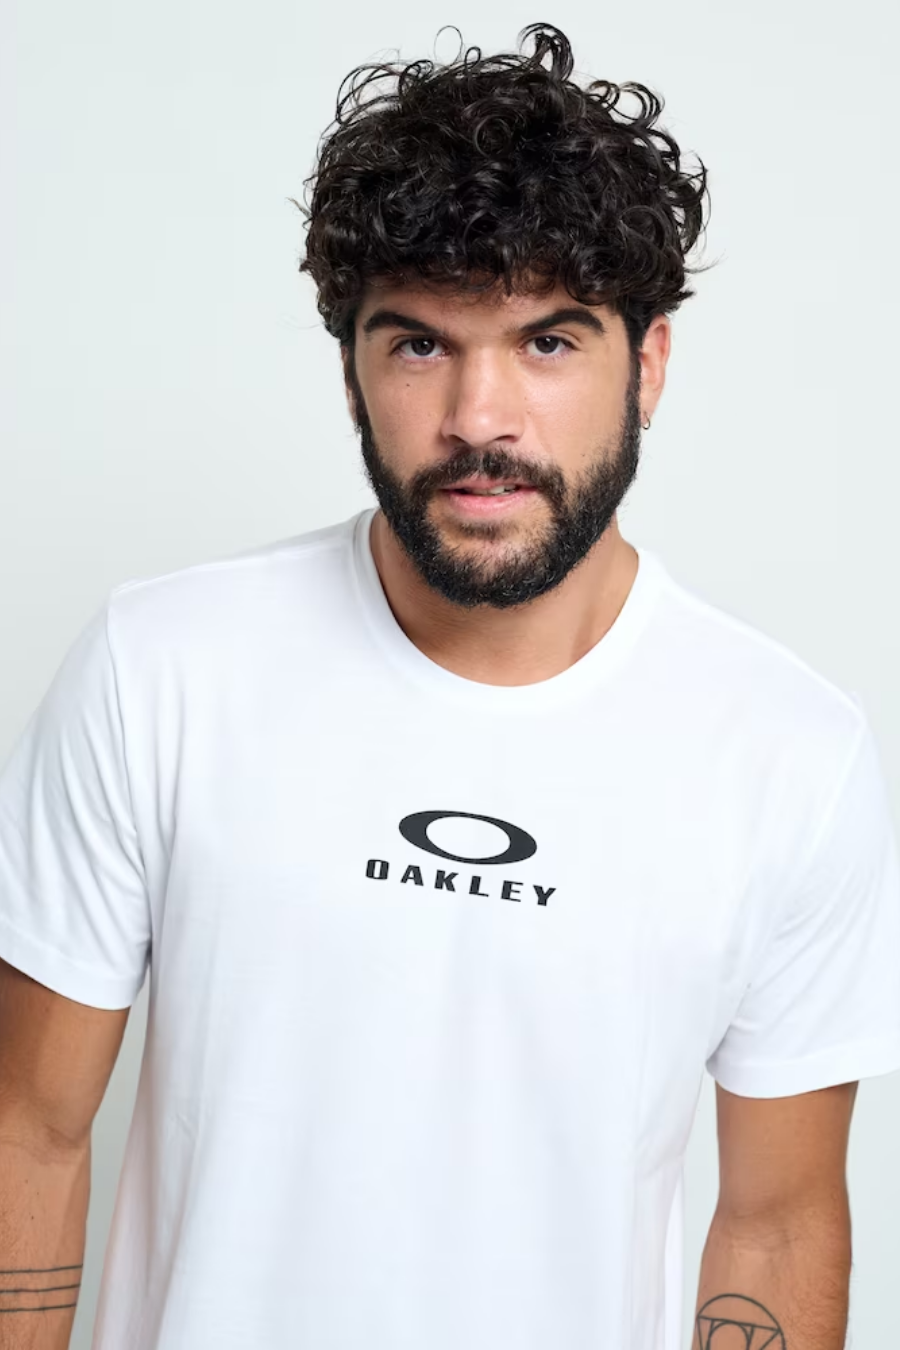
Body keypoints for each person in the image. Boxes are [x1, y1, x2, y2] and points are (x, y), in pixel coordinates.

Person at [0, 21, 898, 1350]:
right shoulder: (163, 666)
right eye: (420, 345)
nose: (482, 419)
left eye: (549, 343)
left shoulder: (789, 754)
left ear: (648, 364)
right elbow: (29, 1129)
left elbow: (775, 1221)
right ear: (352, 369)